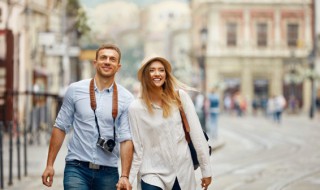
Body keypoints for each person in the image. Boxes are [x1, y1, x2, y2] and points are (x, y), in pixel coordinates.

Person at [42, 44, 134, 190]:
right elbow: (60, 126)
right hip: (77, 168)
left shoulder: (127, 98)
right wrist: (49, 165)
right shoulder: (75, 90)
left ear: (118, 66)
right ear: (95, 62)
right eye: (103, 58)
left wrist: (124, 176)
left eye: (112, 59)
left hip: (108, 172)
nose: (107, 61)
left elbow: (126, 138)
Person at [128, 56, 212, 190]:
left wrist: (206, 170)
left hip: (182, 171)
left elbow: (197, 135)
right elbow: (137, 148)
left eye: (161, 70)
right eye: (152, 70)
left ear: (166, 75)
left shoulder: (180, 98)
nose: (157, 74)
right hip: (152, 172)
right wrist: (128, 179)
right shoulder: (135, 108)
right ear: (145, 76)